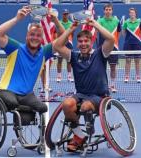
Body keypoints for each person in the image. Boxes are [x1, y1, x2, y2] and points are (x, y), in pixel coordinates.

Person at [52, 19, 114, 151]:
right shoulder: (73, 56)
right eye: (80, 41)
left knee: (86, 106)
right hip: (81, 94)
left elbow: (111, 39)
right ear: (77, 43)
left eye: (86, 41)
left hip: (99, 96)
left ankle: (88, 129)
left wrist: (95, 25)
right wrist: (71, 29)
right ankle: (80, 135)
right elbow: (57, 46)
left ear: (91, 42)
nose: (83, 44)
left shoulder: (100, 53)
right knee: (67, 104)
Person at [0, 6, 64, 113]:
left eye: (38, 36)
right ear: (26, 36)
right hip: (7, 90)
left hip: (26, 95)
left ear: (41, 39)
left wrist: (56, 21)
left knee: (43, 108)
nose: (35, 37)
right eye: (32, 34)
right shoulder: (16, 48)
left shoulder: (44, 52)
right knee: (13, 103)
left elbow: (64, 38)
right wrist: (17, 19)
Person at [97, 3, 121, 92]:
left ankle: (112, 85)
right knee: (101, 67)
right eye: (106, 9)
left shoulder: (117, 21)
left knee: (113, 67)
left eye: (109, 9)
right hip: (102, 48)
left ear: (112, 11)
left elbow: (118, 33)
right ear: (104, 11)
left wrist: (114, 43)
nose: (108, 11)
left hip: (113, 48)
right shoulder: (100, 21)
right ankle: (102, 85)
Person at [122, 8, 141, 83]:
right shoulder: (126, 22)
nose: (132, 14)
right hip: (128, 44)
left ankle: (138, 76)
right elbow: (123, 33)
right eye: (130, 13)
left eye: (133, 13)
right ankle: (126, 76)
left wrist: (137, 39)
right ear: (129, 14)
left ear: (135, 14)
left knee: (137, 61)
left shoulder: (139, 22)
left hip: (137, 44)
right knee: (128, 60)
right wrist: (128, 39)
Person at [56, 9, 74, 82]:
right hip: (60, 44)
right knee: (59, 61)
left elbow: (72, 34)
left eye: (66, 14)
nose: (65, 15)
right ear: (62, 15)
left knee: (69, 61)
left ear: (68, 15)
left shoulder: (71, 24)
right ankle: (59, 76)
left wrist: (68, 40)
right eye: (64, 14)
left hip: (68, 44)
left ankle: (69, 76)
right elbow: (56, 32)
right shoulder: (59, 23)